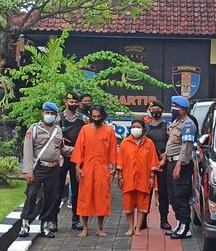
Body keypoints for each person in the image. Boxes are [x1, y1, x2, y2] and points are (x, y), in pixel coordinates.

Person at [19, 102, 72, 238]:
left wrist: (79, 150)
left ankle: (45, 226)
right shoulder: (34, 128)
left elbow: (62, 149)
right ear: (42, 113)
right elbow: (28, 150)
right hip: (38, 168)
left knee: (51, 197)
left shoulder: (58, 130)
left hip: (54, 169)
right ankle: (25, 225)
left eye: (52, 114)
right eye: (47, 113)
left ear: (55, 116)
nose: (49, 115)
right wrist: (28, 171)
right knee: (31, 195)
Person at [71, 105, 117, 237]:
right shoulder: (85, 129)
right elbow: (79, 149)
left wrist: (113, 167)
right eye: (94, 116)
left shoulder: (109, 131)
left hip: (102, 169)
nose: (96, 119)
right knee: (85, 197)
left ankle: (99, 228)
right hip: (87, 168)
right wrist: (77, 168)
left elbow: (113, 151)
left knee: (102, 197)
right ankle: (85, 228)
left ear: (103, 116)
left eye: (98, 116)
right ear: (91, 116)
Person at [117, 118, 159, 236]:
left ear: (143, 129)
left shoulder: (149, 143)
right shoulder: (125, 142)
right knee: (128, 204)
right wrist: (120, 177)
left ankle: (138, 228)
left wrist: (152, 177)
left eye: (138, 127)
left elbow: (153, 161)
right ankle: (130, 228)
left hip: (144, 179)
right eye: (133, 127)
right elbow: (120, 161)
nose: (135, 129)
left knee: (142, 203)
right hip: (128, 178)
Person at [52, 91, 88, 232]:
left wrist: (79, 152)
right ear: (65, 103)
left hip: (78, 160)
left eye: (75, 102)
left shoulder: (84, 119)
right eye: (70, 102)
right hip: (61, 158)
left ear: (78, 103)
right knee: (57, 189)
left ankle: (76, 219)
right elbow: (55, 140)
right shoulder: (58, 118)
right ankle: (53, 221)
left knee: (78, 190)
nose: (72, 104)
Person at [165, 96, 196, 239]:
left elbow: (186, 147)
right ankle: (179, 223)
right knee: (172, 195)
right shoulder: (175, 122)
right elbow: (171, 144)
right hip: (171, 163)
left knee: (181, 195)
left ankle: (185, 227)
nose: (173, 109)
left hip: (181, 165)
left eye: (175, 106)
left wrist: (178, 165)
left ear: (183, 109)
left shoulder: (188, 125)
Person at [145, 100, 171, 230]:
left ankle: (164, 220)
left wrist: (165, 155)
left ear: (161, 110)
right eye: (152, 109)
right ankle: (143, 220)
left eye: (157, 109)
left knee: (163, 193)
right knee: (145, 192)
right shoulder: (146, 126)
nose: (155, 111)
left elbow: (173, 143)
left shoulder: (168, 126)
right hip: (148, 164)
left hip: (163, 163)